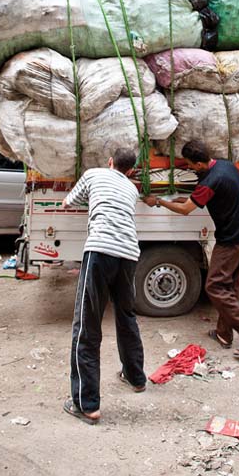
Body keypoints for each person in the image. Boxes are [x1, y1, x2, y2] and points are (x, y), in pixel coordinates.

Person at [145, 140, 239, 359]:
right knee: (229, 286)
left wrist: (160, 201)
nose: (190, 168)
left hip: (231, 240)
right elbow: (196, 199)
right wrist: (183, 199)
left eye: (191, 165)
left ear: (199, 163)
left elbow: (185, 209)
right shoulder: (225, 166)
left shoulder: (211, 181)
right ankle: (224, 334)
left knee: (214, 286)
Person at [62, 148, 147, 424]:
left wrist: (72, 201)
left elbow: (70, 202)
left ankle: (87, 405)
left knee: (86, 326)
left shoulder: (94, 174)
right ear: (131, 170)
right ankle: (136, 378)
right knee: (126, 317)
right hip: (129, 254)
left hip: (100, 251)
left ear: (109, 162)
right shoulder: (132, 189)